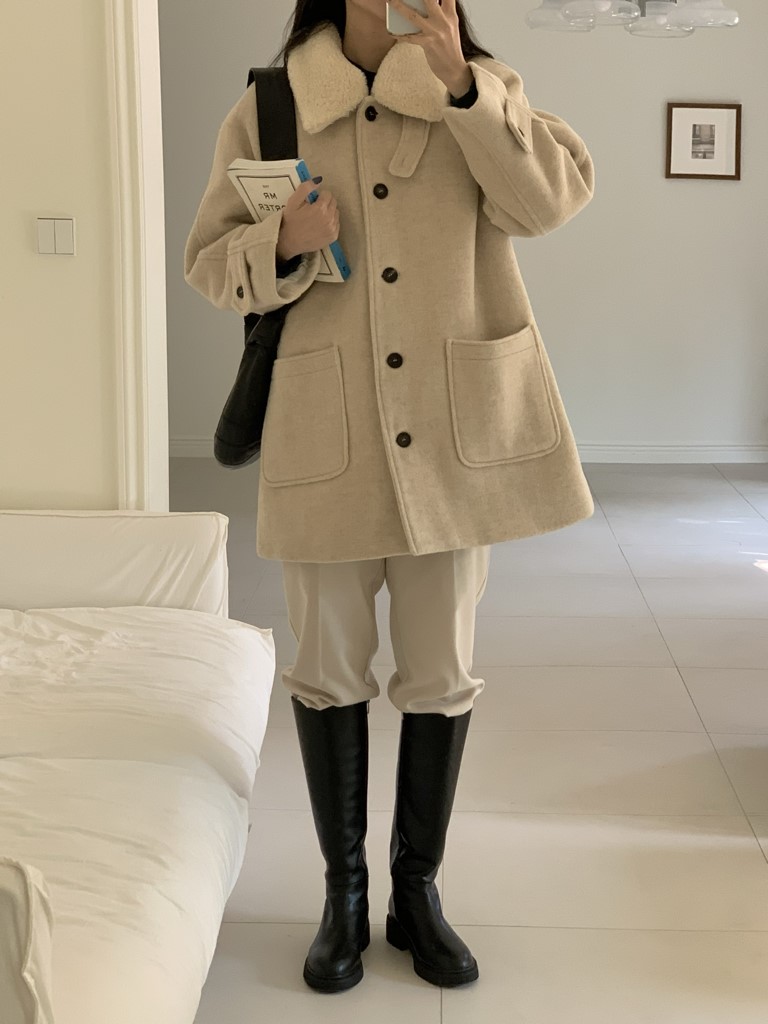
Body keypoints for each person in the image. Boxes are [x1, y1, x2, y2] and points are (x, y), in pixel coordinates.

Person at [184, 0, 596, 995]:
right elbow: (210, 264)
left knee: (441, 671)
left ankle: (417, 894)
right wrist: (284, 240)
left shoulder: (482, 88)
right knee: (327, 671)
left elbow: (547, 203)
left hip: (453, 439)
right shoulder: (274, 106)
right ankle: (344, 897)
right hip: (324, 438)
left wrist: (462, 87)